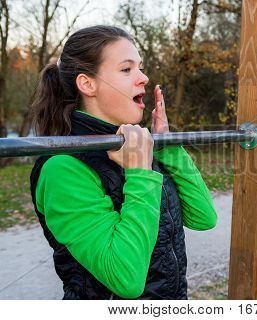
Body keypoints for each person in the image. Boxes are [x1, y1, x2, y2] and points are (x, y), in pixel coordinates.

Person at [29, 25, 217, 300]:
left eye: (140, 67)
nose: (143, 77)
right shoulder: (62, 168)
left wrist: (168, 147)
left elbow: (203, 217)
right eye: (127, 69)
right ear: (87, 84)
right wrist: (139, 172)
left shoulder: (136, 146)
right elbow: (125, 278)